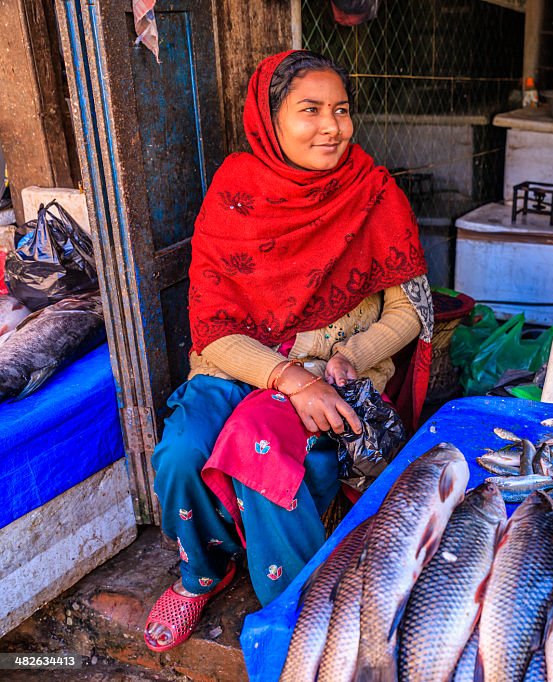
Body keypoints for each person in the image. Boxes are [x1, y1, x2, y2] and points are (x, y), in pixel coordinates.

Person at [143, 50, 433, 652]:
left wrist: (354, 354)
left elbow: (412, 312)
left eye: (342, 110)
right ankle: (203, 571)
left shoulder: (373, 193)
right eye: (311, 111)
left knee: (263, 449)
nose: (333, 127)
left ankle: (300, 609)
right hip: (240, 364)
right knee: (180, 450)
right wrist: (286, 377)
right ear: (270, 120)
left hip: (329, 367)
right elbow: (213, 329)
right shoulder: (235, 194)